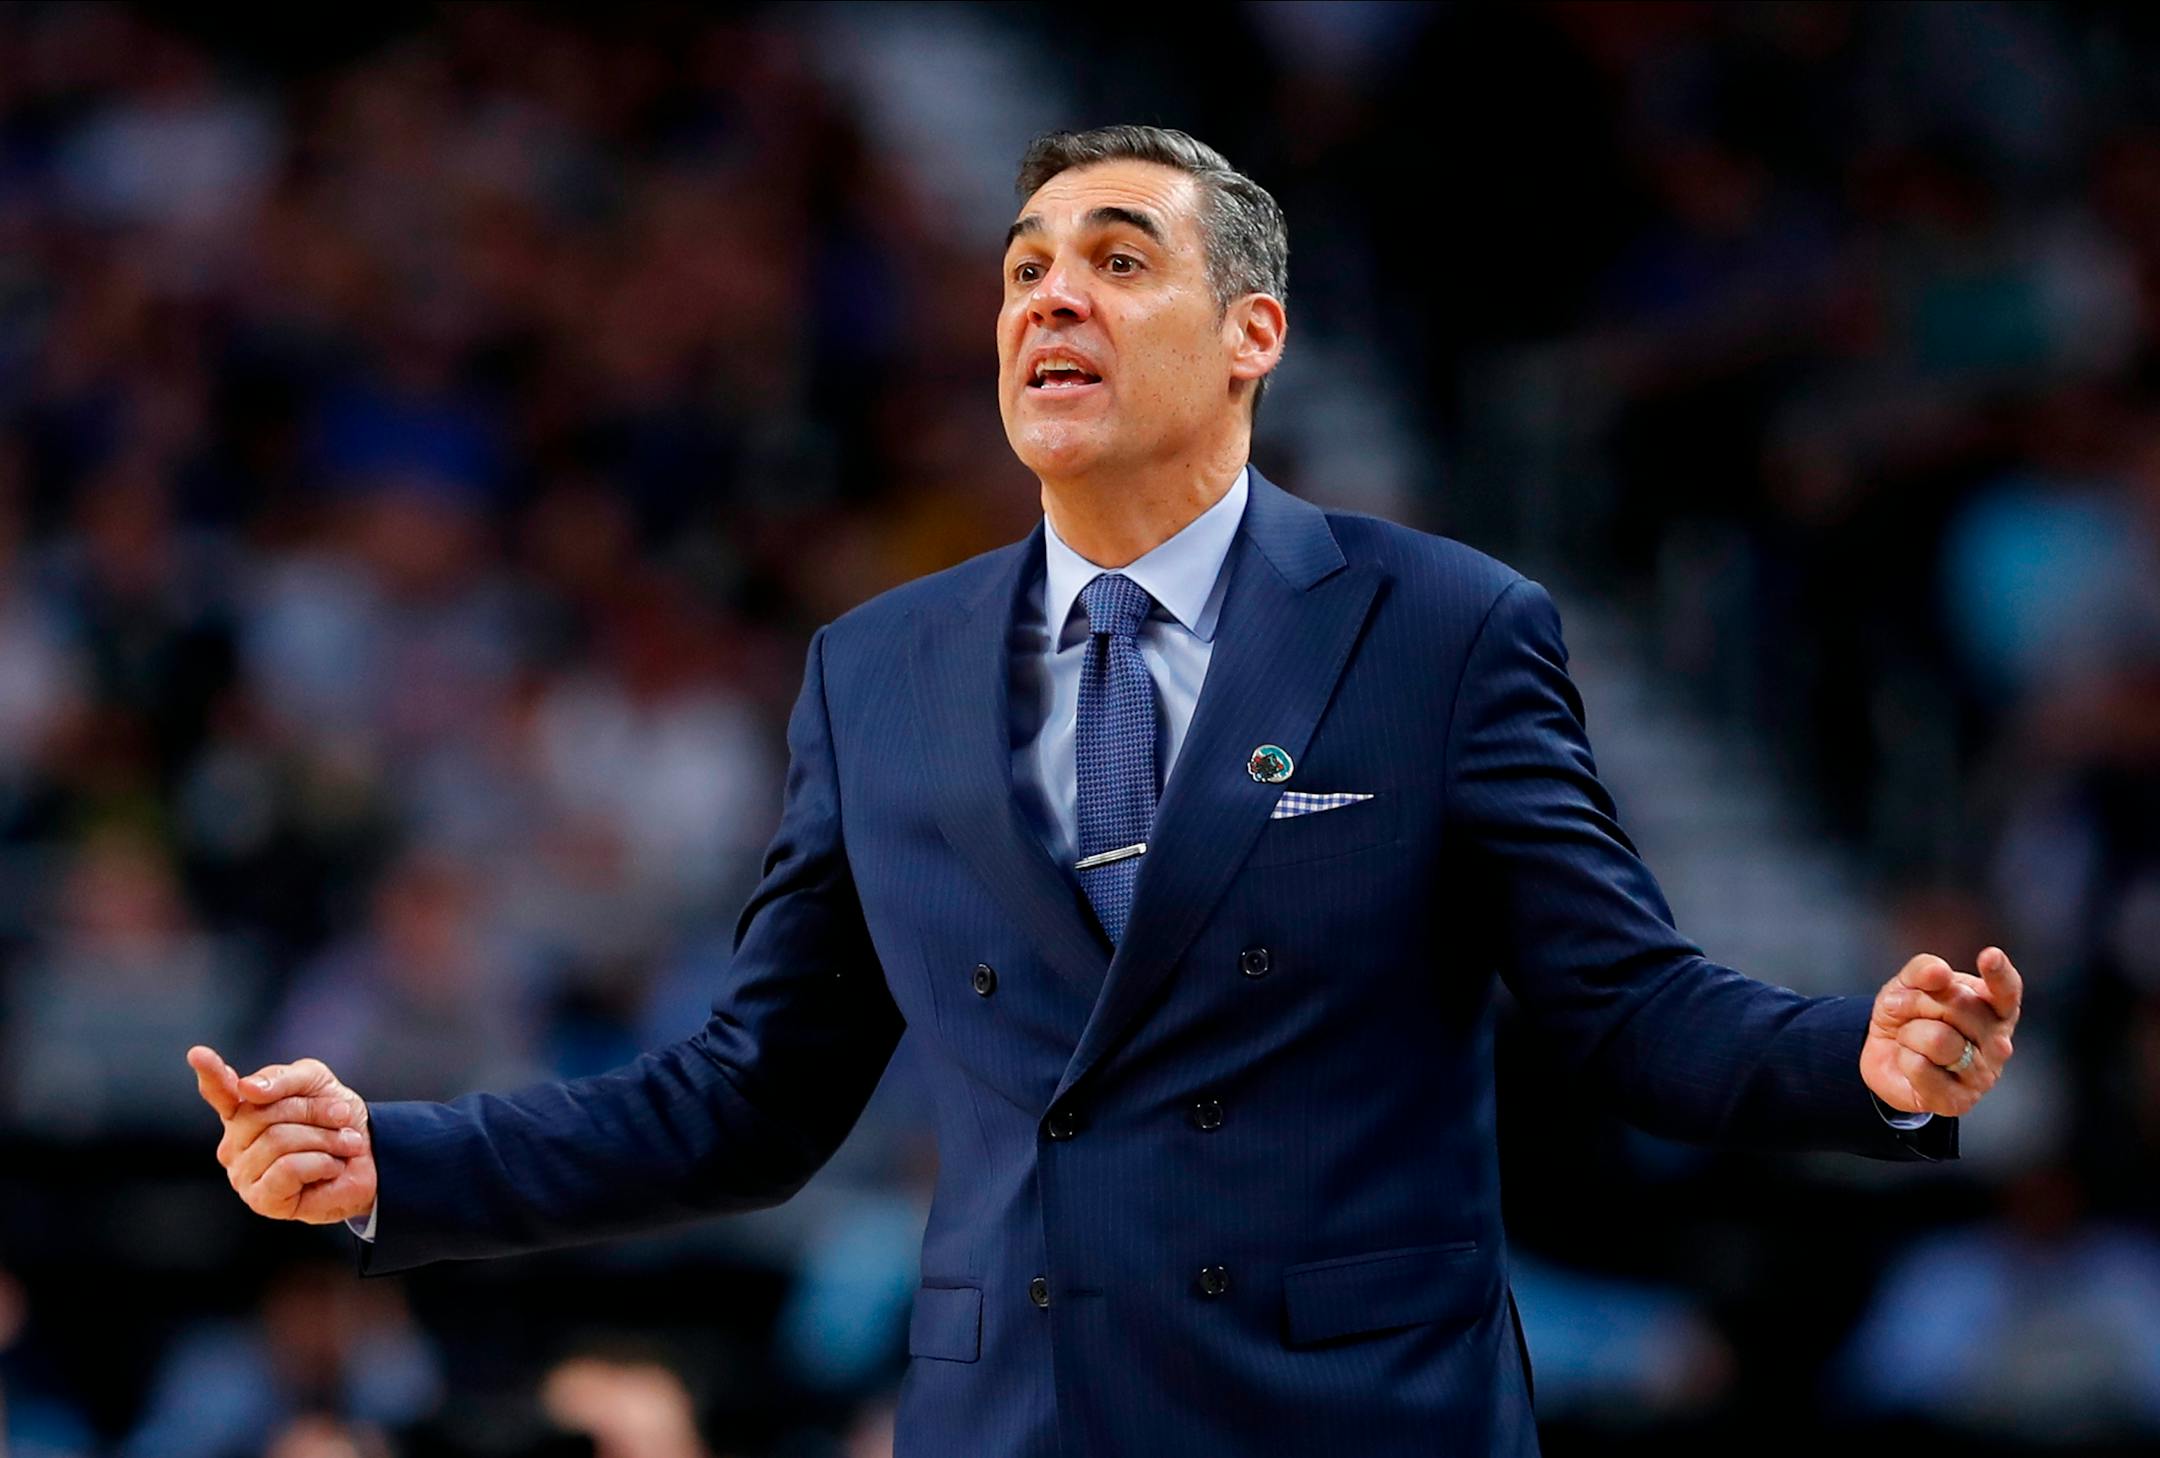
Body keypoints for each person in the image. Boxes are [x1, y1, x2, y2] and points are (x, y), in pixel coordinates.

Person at [189, 125, 2024, 1457]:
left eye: (1120, 258)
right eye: (1023, 270)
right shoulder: (876, 668)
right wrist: (391, 1157)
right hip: (1016, 1420)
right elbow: (748, 1099)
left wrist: (1850, 1062)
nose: (1053, 295)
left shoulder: (1445, 625)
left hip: (1356, 1418)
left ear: (1256, 334)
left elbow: (1624, 1006)